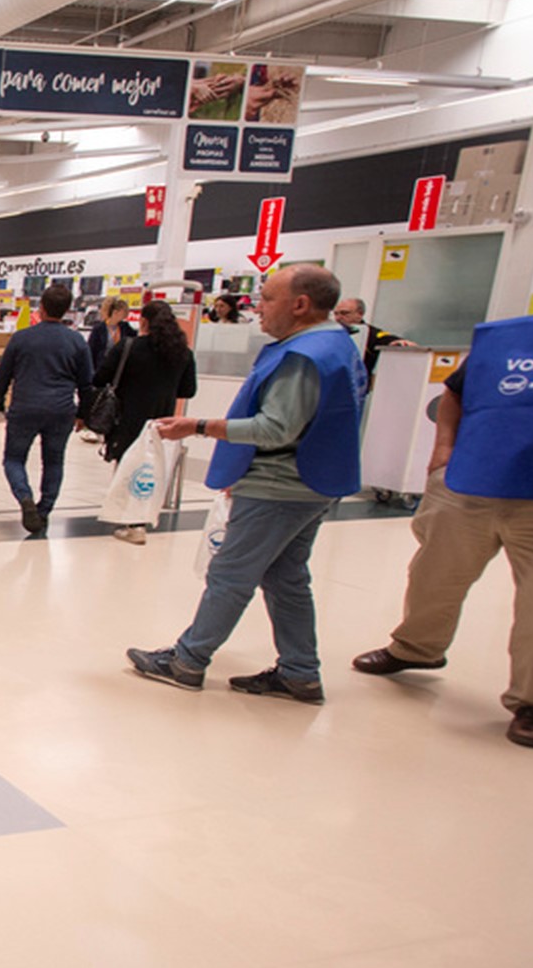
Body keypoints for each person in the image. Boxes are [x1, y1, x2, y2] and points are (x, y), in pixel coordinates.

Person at [351, 247, 533, 748]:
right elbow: (455, 393)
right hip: (471, 485)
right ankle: (417, 648)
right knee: (434, 576)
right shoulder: (507, 339)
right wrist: (443, 450)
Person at [126, 263, 367, 704]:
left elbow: (276, 428)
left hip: (280, 484)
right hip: (312, 481)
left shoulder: (303, 356)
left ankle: (187, 661)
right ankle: (300, 671)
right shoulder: (337, 345)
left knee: (230, 574)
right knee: (286, 576)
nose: (257, 308)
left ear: (300, 304)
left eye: (268, 298)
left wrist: (199, 426)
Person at [0, 282, 93, 535]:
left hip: (25, 407)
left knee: (14, 458)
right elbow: (87, 383)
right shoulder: (77, 341)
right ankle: (44, 510)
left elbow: (2, 376)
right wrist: (83, 414)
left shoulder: (22, 338)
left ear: (42, 307)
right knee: (54, 461)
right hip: (61, 409)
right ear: (67, 310)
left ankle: (25, 498)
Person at [93, 299, 198, 545]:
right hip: (163, 422)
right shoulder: (183, 353)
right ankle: (140, 519)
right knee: (152, 470)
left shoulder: (129, 347)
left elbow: (100, 378)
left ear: (143, 322)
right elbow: (188, 389)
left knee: (128, 467)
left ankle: (131, 521)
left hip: (128, 418)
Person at [80, 296, 136, 442]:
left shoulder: (125, 328)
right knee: (97, 398)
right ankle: (91, 426)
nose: (125, 315)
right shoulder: (99, 329)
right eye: (123, 312)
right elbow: (91, 350)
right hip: (100, 369)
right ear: (115, 311)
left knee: (113, 400)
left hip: (118, 371)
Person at [332, 296, 414, 375]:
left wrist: (398, 342)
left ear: (360, 314)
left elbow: (384, 338)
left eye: (344, 313)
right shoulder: (330, 332)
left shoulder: (369, 333)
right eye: (336, 314)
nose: (338, 318)